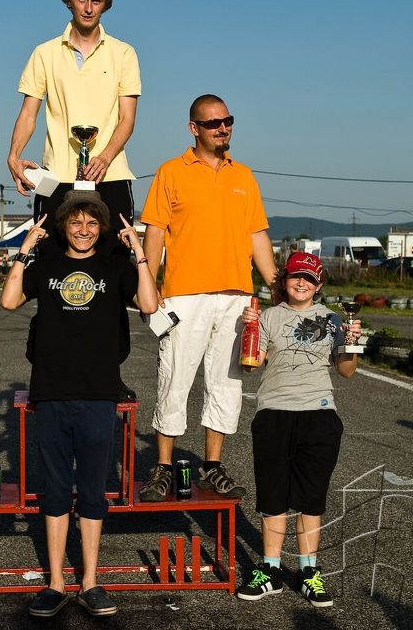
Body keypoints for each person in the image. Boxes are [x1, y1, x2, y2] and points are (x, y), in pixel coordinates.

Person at [0, 192, 158, 618]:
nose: (83, 230)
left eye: (91, 223)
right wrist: (24, 250)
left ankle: (90, 582)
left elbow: (149, 304)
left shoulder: (114, 266)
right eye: (75, 223)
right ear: (64, 227)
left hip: (98, 392)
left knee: (91, 489)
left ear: (100, 228)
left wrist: (139, 253)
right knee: (54, 490)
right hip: (51, 390)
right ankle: (55, 583)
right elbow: (9, 300)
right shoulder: (47, 264)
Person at [7, 0, 142, 396]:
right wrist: (13, 154)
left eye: (96, 0)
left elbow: (127, 119)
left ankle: (111, 372)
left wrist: (103, 156)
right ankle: (46, 369)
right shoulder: (45, 52)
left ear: (106, 5)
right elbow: (29, 112)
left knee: (113, 271)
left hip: (110, 175)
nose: (88, 7)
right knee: (51, 268)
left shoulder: (124, 53)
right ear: (69, 0)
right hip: (57, 178)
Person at [138, 94, 278, 502]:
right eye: (213, 123)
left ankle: (211, 466)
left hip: (236, 296)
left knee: (226, 384)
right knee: (174, 380)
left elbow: (257, 234)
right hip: (185, 294)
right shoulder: (170, 172)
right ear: (194, 128)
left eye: (227, 121)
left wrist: (274, 283)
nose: (223, 128)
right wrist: (150, 281)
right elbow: (155, 231)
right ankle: (164, 467)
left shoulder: (244, 176)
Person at [235, 252, 360, 608]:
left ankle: (308, 572)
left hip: (319, 414)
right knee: (273, 496)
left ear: (319, 285)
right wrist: (248, 330)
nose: (301, 283)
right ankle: (270, 571)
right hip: (274, 413)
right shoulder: (268, 317)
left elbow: (347, 371)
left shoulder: (333, 319)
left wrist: (352, 341)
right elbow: (251, 366)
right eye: (295, 277)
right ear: (285, 280)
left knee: (311, 497)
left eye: (309, 279)